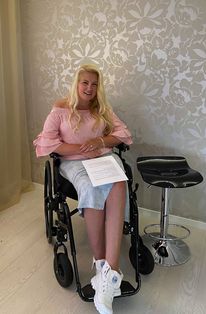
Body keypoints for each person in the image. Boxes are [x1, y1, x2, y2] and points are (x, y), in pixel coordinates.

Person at [33, 63, 132, 314]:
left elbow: (121, 133)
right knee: (91, 186)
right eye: (85, 82)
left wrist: (99, 141)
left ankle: (109, 272)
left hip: (103, 157)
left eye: (94, 84)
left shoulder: (102, 109)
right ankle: (101, 263)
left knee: (119, 181)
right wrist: (80, 149)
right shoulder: (61, 108)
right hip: (74, 163)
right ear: (77, 83)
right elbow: (48, 142)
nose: (89, 88)